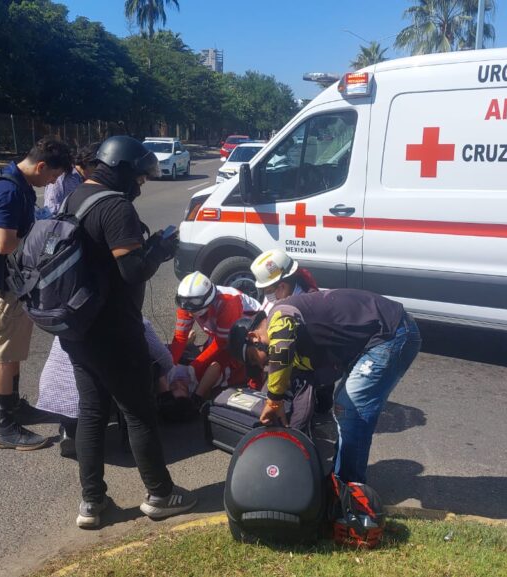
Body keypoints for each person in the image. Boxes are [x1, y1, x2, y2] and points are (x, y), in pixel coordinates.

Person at [59, 135, 196, 529]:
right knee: (138, 412)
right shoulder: (116, 208)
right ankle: (160, 494)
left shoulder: (78, 195)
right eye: (138, 176)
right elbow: (132, 271)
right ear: (120, 170)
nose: (140, 185)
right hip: (114, 330)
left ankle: (92, 502)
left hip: (78, 327)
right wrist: (160, 249)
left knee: (91, 413)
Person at [227, 289, 422, 484]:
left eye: (254, 359)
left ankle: (349, 491)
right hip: (373, 341)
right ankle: (340, 480)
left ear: (254, 338)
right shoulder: (293, 356)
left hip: (391, 332)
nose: (261, 366)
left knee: (351, 408)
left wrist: (274, 398)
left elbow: (282, 345)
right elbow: (302, 394)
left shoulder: (279, 314)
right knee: (343, 408)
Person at [0, 137, 73, 451]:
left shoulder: (20, 185)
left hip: (16, 283)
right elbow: (4, 244)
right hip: (5, 285)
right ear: (41, 166)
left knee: (15, 354)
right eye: (51, 176)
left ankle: (15, 407)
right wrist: (38, 239)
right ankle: (5, 426)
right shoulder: (8, 190)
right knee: (5, 355)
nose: (51, 182)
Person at [37, 319, 178, 458]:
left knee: (73, 382)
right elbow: (165, 360)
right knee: (148, 366)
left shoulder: (67, 320)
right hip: (99, 396)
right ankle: (130, 431)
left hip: (53, 391)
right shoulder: (134, 320)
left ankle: (70, 431)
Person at [170, 272, 262, 401]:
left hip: (245, 335)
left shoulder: (228, 302)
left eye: (193, 309)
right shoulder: (186, 303)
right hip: (219, 334)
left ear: (207, 301)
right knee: (201, 371)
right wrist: (169, 366)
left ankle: (248, 372)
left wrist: (194, 368)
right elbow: (180, 337)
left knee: (214, 371)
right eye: (187, 308)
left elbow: (222, 343)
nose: (189, 312)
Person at [249, 249, 320, 311]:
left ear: (282, 287)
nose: (267, 297)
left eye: (269, 291)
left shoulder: (301, 309)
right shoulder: (280, 296)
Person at [42, 141, 100, 215]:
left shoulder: (84, 179)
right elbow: (51, 209)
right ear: (87, 162)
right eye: (98, 168)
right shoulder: (62, 177)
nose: (99, 172)